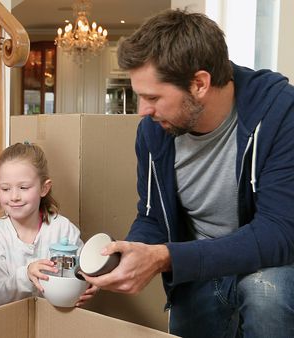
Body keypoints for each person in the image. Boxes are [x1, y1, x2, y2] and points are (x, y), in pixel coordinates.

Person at [81, 9, 294, 338]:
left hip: (267, 266)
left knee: (268, 291)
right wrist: (123, 257)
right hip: (198, 269)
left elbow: (278, 232)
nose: (142, 111)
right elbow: (152, 217)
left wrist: (165, 257)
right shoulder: (153, 132)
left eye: (152, 97)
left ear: (199, 84)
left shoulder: (280, 114)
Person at [0, 142, 99, 307]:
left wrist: (90, 282)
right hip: (11, 323)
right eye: (5, 189)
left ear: (44, 188)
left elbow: (83, 272)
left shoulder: (64, 230)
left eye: (23, 187)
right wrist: (27, 275)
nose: (14, 196)